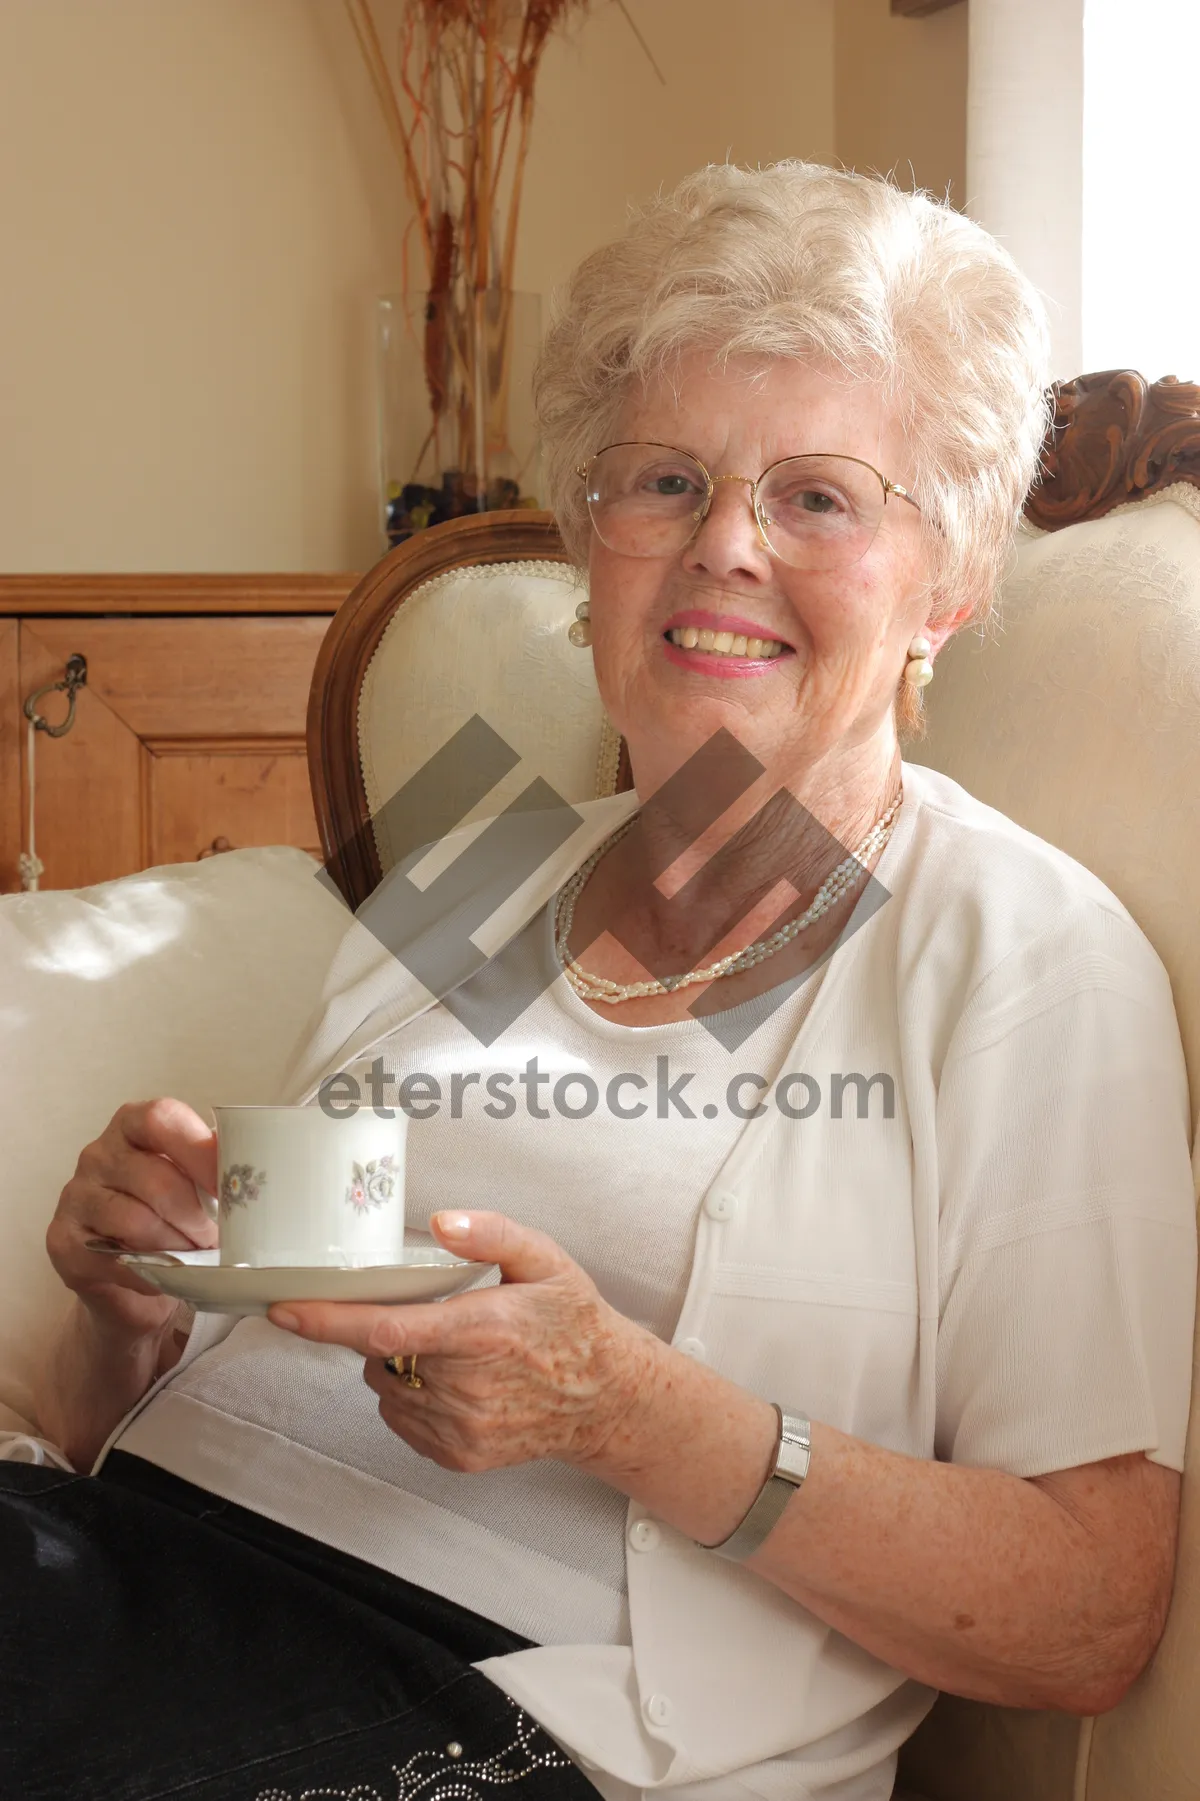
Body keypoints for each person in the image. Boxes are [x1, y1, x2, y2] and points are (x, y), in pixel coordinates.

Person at [7, 163, 1196, 1801]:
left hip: (501, 1700)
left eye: (820, 498)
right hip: (133, 1568)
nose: (724, 548)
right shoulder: (482, 874)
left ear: (951, 588)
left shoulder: (1020, 962)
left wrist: (630, 1411)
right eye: (663, 482)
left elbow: (1090, 1611)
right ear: (592, 555)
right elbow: (198, 1387)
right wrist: (132, 1303)